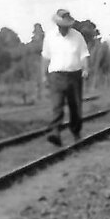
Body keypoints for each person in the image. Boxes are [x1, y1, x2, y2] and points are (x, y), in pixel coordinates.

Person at [41, 8, 90, 146]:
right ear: (57, 25)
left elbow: (84, 54)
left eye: (66, 26)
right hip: (56, 75)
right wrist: (43, 75)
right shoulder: (50, 37)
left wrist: (86, 68)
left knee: (75, 106)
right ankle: (55, 132)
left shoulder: (77, 36)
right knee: (57, 105)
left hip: (74, 75)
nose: (64, 28)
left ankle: (76, 132)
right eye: (62, 26)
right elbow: (45, 57)